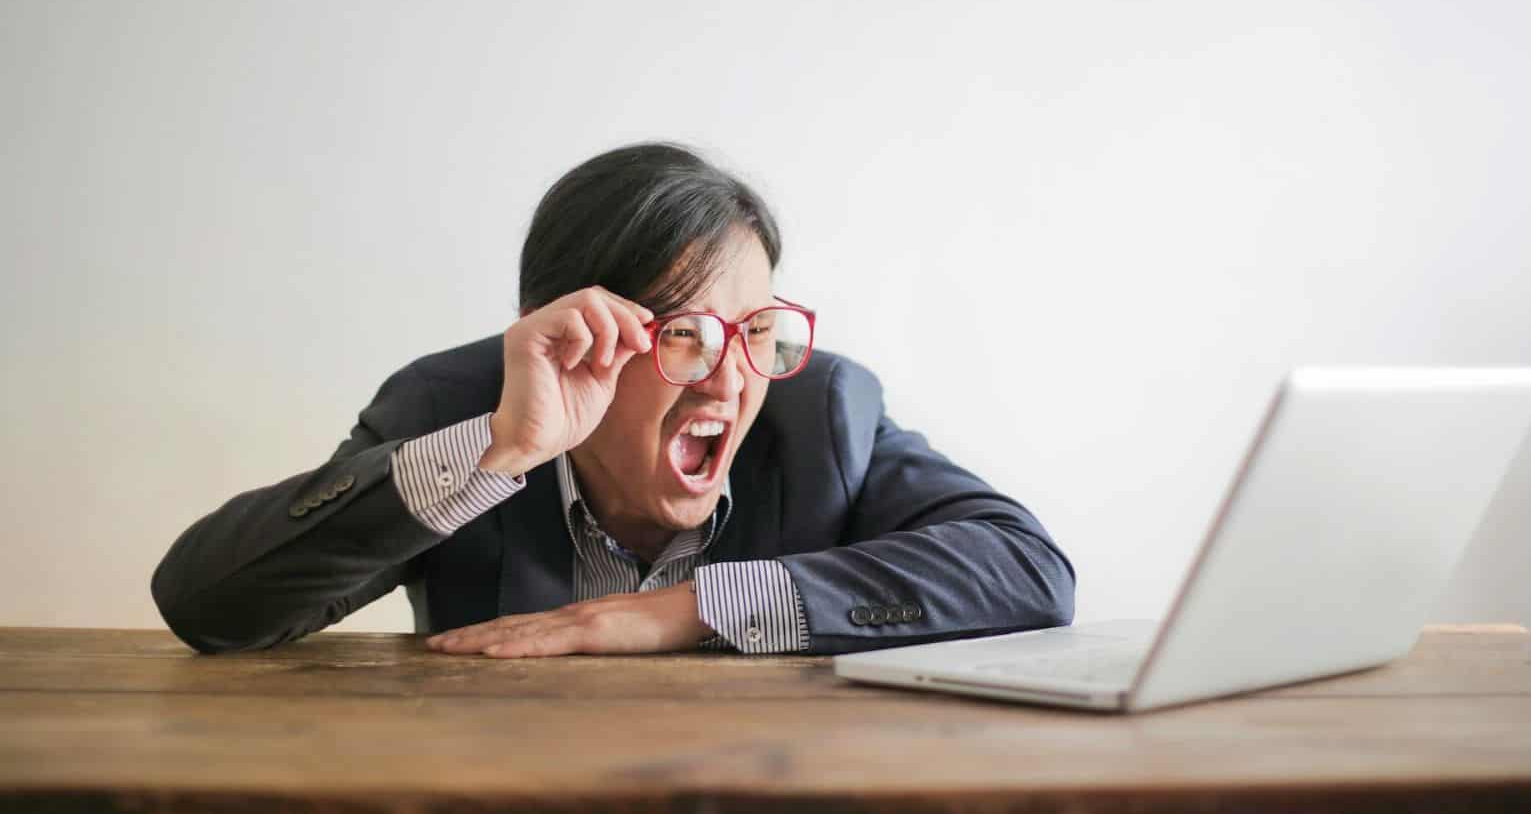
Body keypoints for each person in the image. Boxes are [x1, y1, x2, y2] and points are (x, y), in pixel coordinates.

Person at [151, 143, 1076, 656]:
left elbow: (1027, 569)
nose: (729, 377)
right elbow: (206, 605)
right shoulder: (454, 406)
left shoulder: (823, 410)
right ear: (563, 332)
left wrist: (685, 609)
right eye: (683, 332)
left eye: (756, 328)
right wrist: (498, 453)